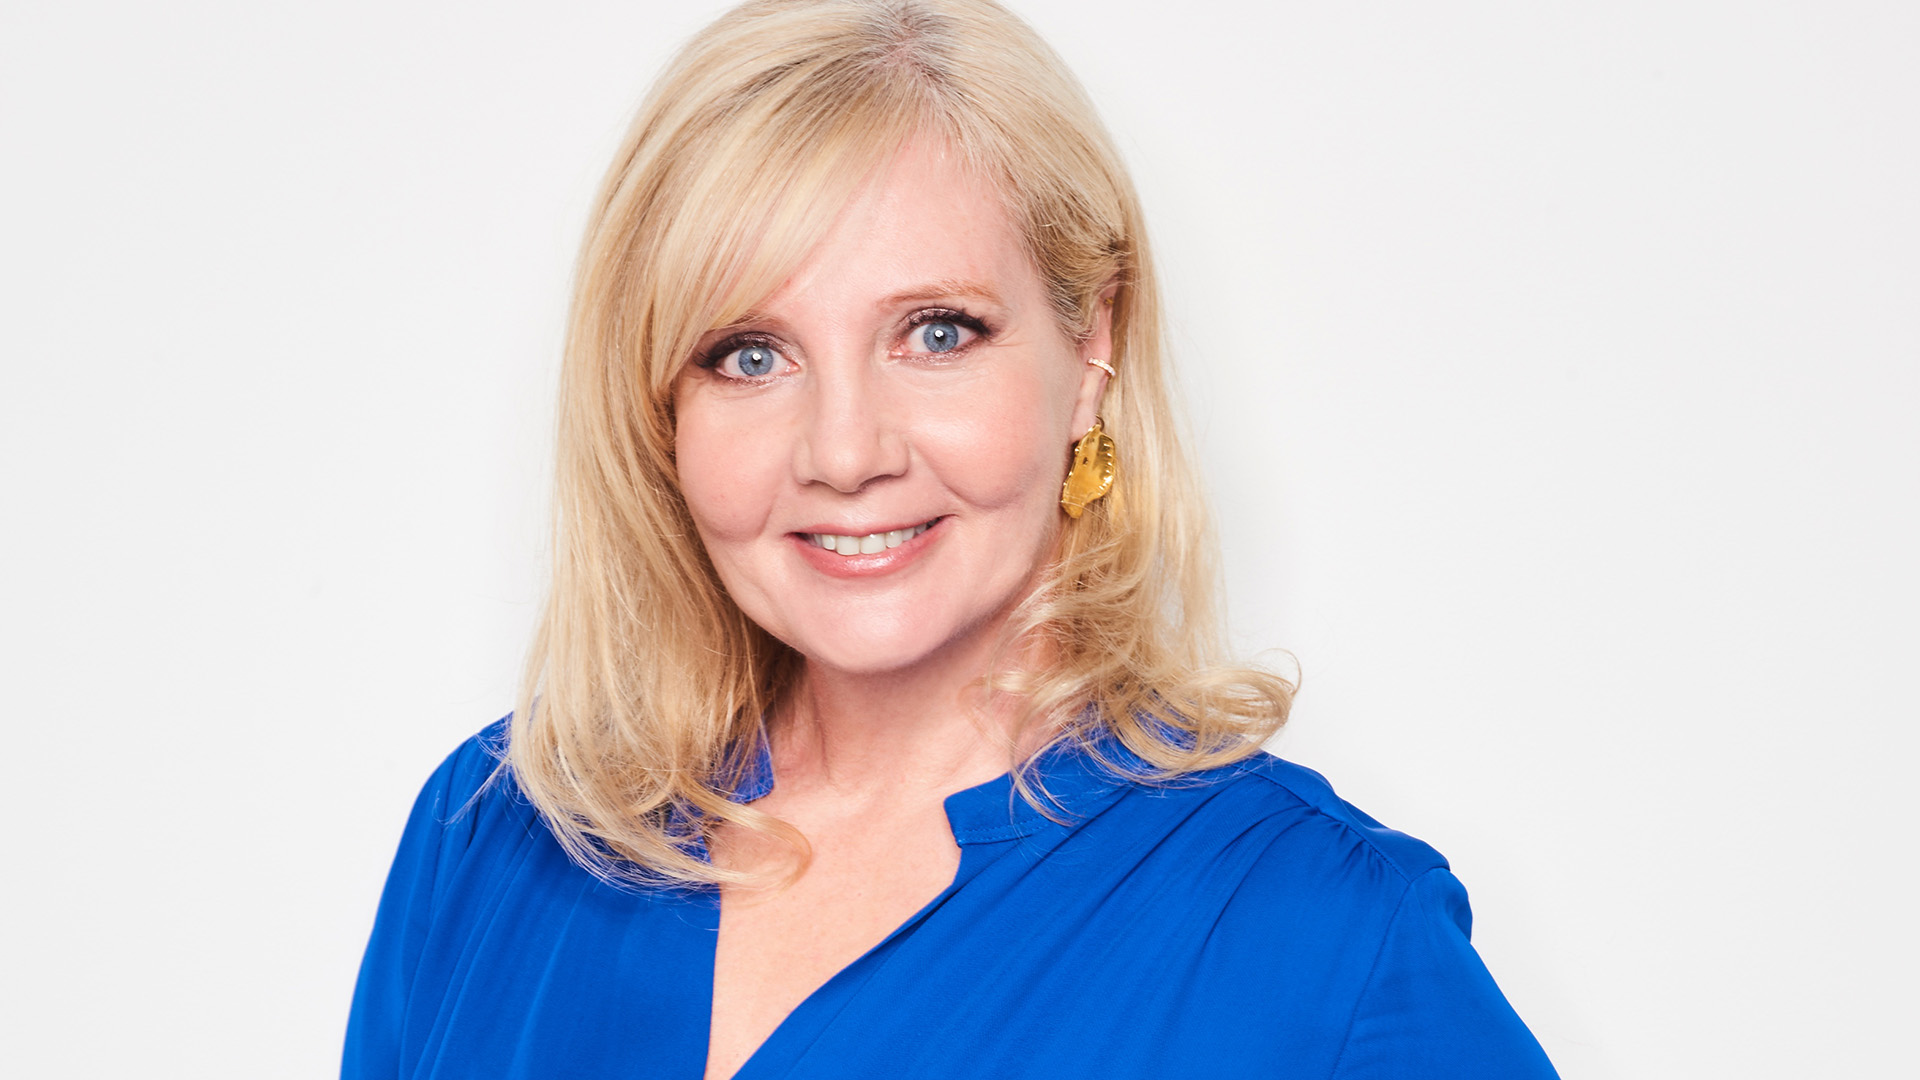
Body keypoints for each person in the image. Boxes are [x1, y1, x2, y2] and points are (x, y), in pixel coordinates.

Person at [343, 1, 1559, 1077]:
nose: (845, 451)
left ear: (1091, 347)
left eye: (936, 332)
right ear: (660, 404)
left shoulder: (1322, 941)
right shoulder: (497, 836)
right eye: (749, 354)